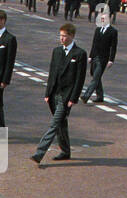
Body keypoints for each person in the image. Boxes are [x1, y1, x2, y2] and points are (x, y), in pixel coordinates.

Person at [30, 23, 88, 165]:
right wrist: (48, 92)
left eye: (65, 36)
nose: (61, 38)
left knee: (54, 124)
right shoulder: (56, 51)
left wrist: (73, 98)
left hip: (67, 95)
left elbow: (79, 79)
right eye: (60, 35)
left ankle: (39, 152)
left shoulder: (80, 54)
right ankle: (66, 151)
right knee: (61, 124)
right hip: (55, 93)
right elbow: (52, 74)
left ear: (72, 36)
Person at [80, 15, 117, 104]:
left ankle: (86, 95)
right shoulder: (98, 29)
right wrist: (90, 56)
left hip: (104, 58)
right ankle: (100, 96)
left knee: (96, 77)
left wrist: (111, 60)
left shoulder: (113, 31)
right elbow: (94, 44)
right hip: (95, 56)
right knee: (95, 76)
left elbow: (113, 47)